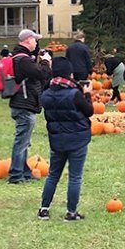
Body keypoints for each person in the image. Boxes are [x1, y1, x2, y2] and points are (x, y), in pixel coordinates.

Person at [37, 58, 92, 222]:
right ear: (69, 73)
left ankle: (44, 209)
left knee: (53, 174)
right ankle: (71, 212)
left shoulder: (46, 94)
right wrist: (87, 93)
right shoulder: (74, 93)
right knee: (75, 176)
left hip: (57, 139)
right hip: (77, 139)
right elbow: (89, 111)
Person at [8, 29, 52, 184]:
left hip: (24, 103)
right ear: (27, 40)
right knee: (21, 141)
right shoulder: (23, 60)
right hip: (24, 104)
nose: (36, 43)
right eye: (35, 40)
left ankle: (24, 171)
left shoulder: (21, 58)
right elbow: (41, 74)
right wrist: (46, 62)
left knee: (24, 141)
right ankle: (15, 175)